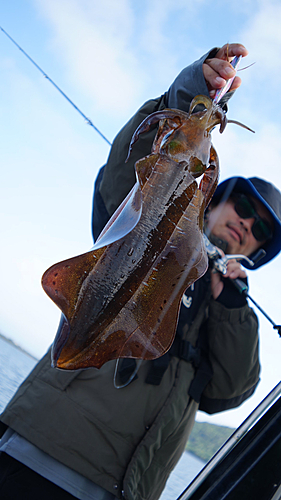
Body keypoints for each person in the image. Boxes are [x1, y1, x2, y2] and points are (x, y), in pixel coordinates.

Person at [0, 43, 281, 500]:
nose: (246, 222)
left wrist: (232, 306)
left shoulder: (233, 308)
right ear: (214, 195)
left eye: (261, 229)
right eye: (243, 206)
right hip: (39, 446)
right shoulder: (149, 190)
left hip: (125, 489)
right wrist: (189, 94)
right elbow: (120, 177)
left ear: (260, 249)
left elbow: (228, 394)